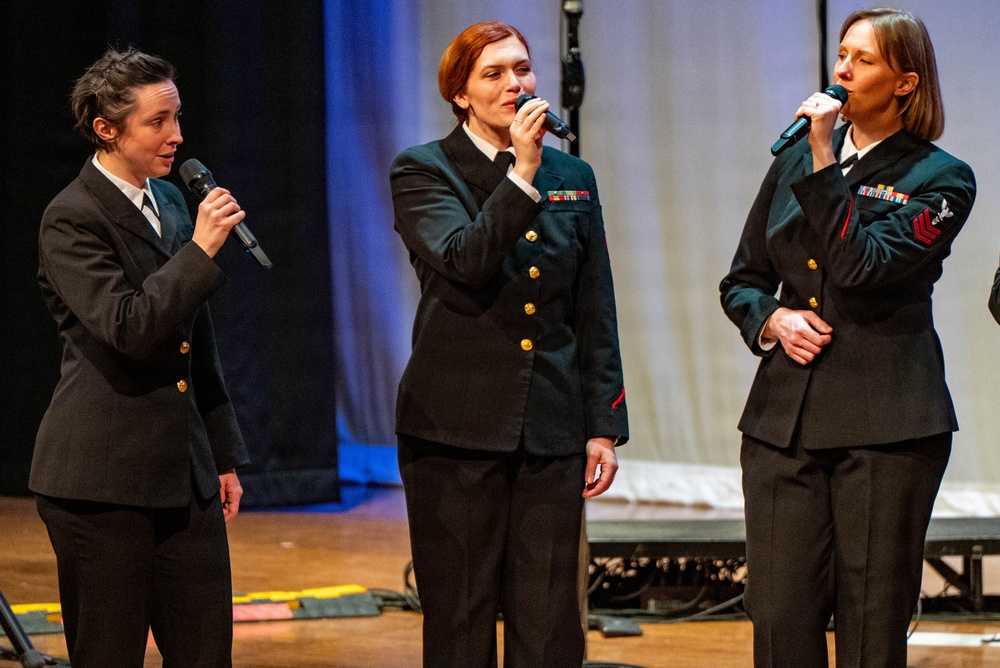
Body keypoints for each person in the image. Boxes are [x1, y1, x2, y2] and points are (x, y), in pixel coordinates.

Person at [721, 8, 976, 667]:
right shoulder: (792, 164)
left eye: (862, 60)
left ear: (904, 82)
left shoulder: (941, 178)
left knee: (870, 621)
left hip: (886, 425)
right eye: (841, 55)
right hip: (783, 426)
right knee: (778, 619)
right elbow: (742, 279)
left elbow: (861, 268)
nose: (841, 70)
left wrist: (826, 158)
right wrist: (770, 320)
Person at [389, 21, 629, 667]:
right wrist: (522, 174)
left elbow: (593, 304)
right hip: (454, 428)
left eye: (521, 69)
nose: (515, 84)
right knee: (461, 612)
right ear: (460, 93)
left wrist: (603, 423)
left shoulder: (573, 173)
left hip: (550, 422)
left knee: (550, 619)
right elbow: (464, 260)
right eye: (493, 74)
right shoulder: (423, 170)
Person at [30, 48, 250, 668]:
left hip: (185, 477)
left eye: (177, 118)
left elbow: (194, 341)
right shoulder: (70, 218)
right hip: (101, 482)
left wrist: (223, 454)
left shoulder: (172, 204)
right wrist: (202, 251)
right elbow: (127, 327)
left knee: (206, 653)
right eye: (158, 122)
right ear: (107, 128)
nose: (176, 135)